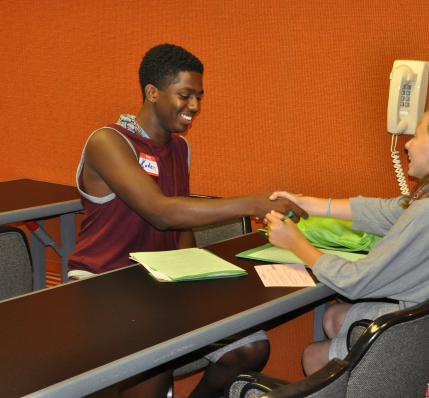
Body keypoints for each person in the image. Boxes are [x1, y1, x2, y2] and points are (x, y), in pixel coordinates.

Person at [68, 44, 306, 398]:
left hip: (157, 287)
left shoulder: (180, 148)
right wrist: (253, 203)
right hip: (103, 287)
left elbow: (179, 225)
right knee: (154, 367)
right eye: (185, 95)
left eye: (198, 96)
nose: (194, 105)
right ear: (152, 93)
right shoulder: (109, 142)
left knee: (250, 349)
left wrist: (192, 277)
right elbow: (162, 212)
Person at [265, 101, 429, 376]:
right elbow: (387, 210)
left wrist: (295, 242)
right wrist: (306, 203)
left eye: (415, 136)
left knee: (314, 355)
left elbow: (355, 282)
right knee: (333, 317)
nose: (407, 145)